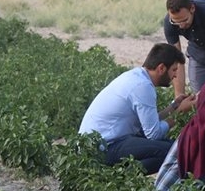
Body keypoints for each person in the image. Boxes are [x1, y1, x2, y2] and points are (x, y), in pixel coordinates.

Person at [79, 43, 195, 174]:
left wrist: (173, 107)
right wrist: (179, 113)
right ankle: (121, 181)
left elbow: (149, 123)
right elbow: (153, 134)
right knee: (172, 152)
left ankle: (122, 176)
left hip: (104, 142)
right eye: (174, 70)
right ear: (161, 68)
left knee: (172, 145)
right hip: (102, 148)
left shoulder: (136, 77)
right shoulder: (143, 87)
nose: (175, 76)